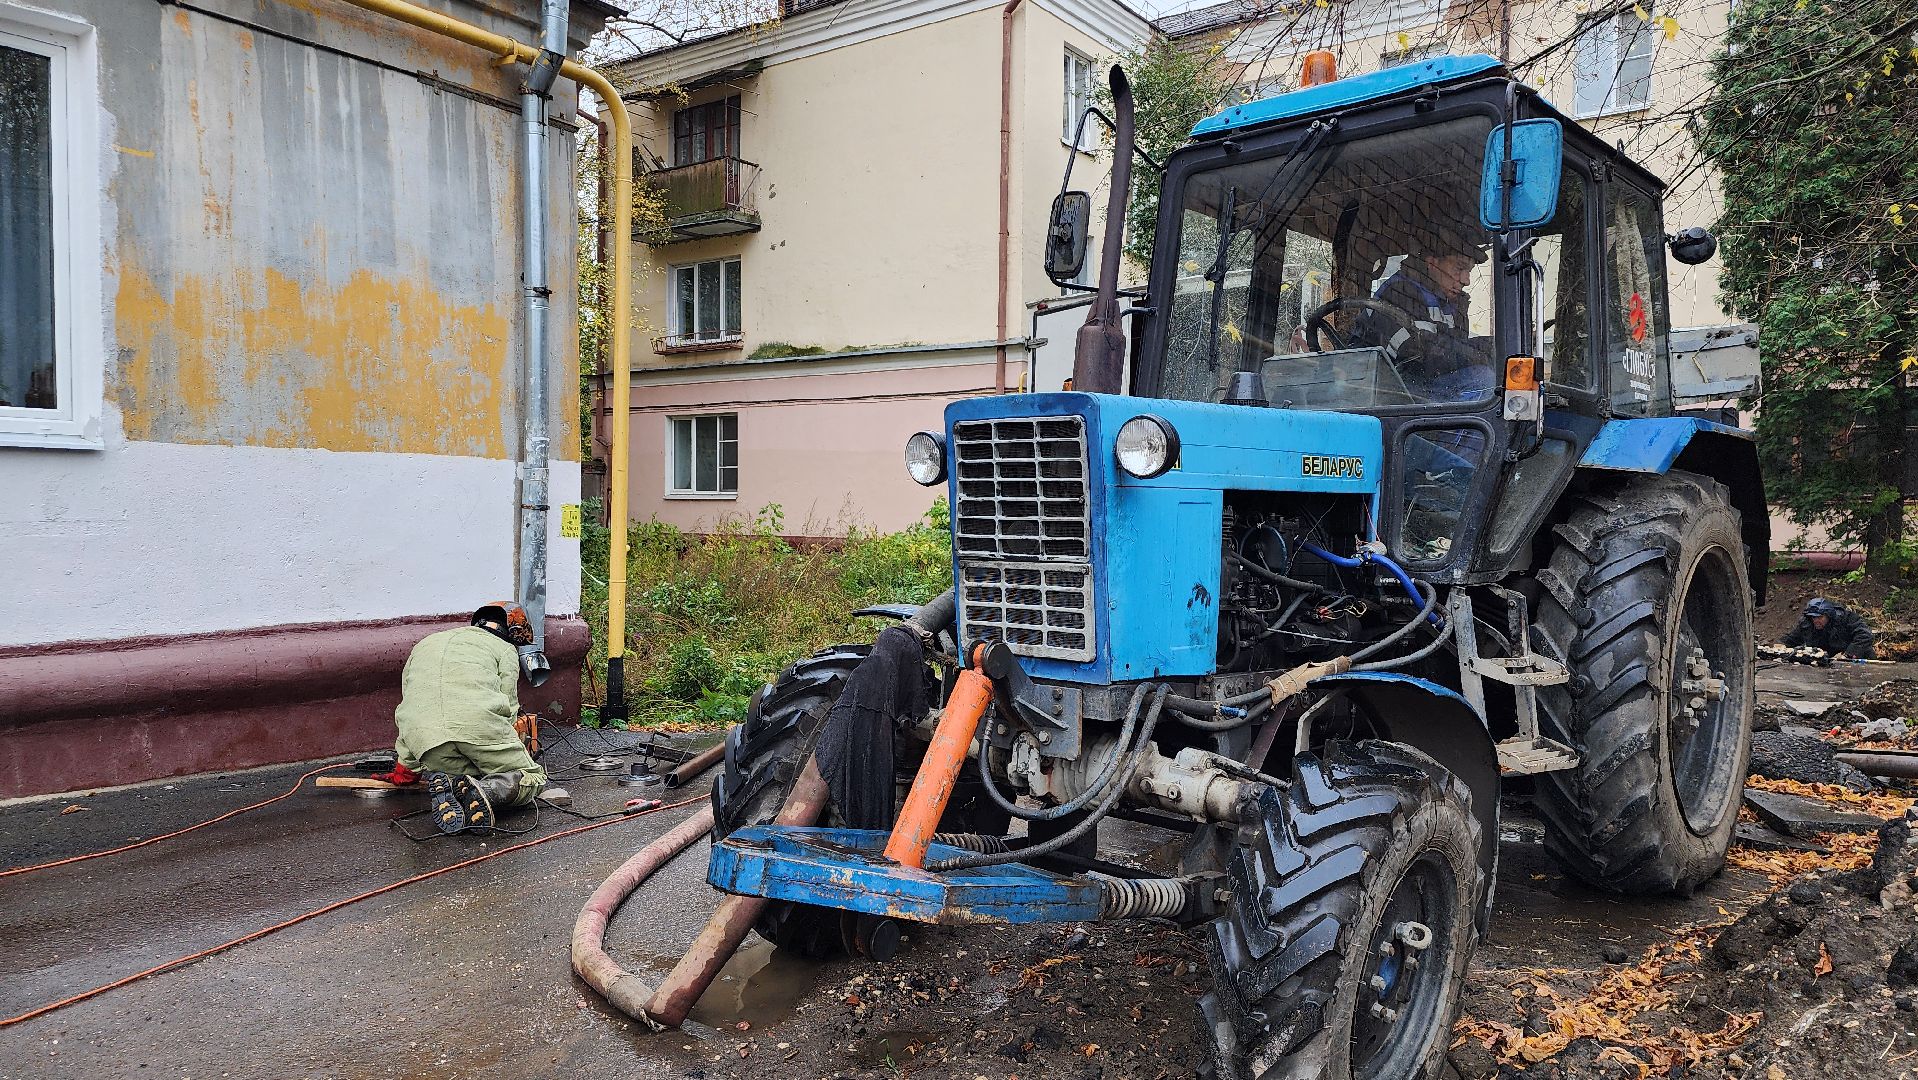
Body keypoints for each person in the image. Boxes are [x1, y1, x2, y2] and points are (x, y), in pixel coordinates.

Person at [378, 601, 565, 834]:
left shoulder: (424, 645)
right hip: (478, 728)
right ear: (511, 633)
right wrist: (513, 749)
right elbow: (508, 708)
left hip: (426, 742)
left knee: (464, 771)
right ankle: (485, 791)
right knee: (533, 777)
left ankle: (457, 785)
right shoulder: (504, 648)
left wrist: (406, 770)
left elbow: (411, 706)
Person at [1358, 246, 1494, 401]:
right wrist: (1480, 352)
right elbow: (1423, 354)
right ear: (1432, 263)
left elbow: (1452, 344)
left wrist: (1489, 346)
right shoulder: (1400, 292)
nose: (1466, 280)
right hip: (1392, 390)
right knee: (1484, 380)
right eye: (1459, 268)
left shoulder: (1448, 302)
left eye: (1469, 271)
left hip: (1424, 383)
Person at [1781, 597, 1876, 659]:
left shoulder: (1846, 618)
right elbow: (1792, 640)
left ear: (1828, 616)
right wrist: (1781, 648)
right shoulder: (1807, 624)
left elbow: (1865, 635)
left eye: (1820, 617)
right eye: (1814, 617)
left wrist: (1847, 654)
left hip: (1858, 658)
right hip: (1828, 661)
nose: (1816, 621)